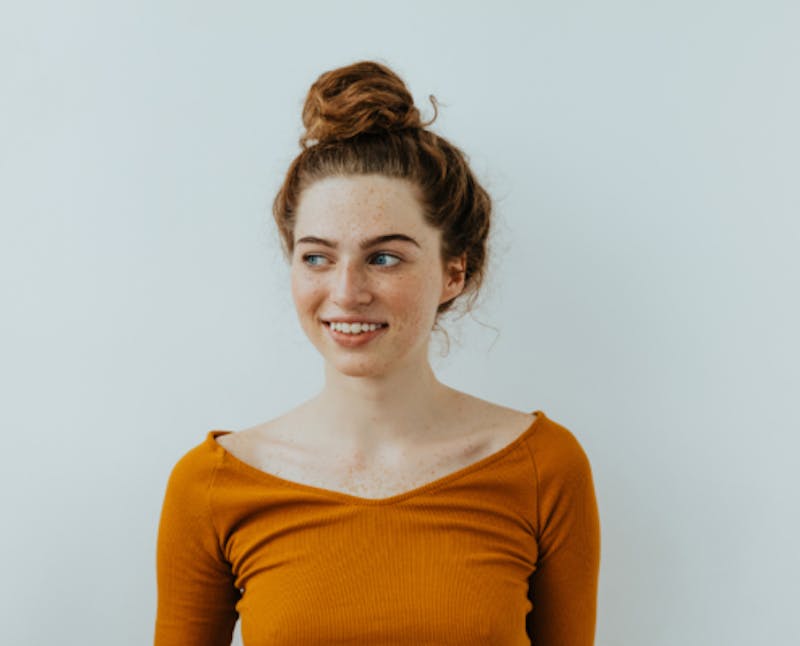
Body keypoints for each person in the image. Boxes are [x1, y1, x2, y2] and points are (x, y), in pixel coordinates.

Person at [154, 60, 601, 646]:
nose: (346, 292)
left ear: (453, 272)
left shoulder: (544, 468)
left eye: (384, 257)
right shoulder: (211, 485)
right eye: (317, 257)